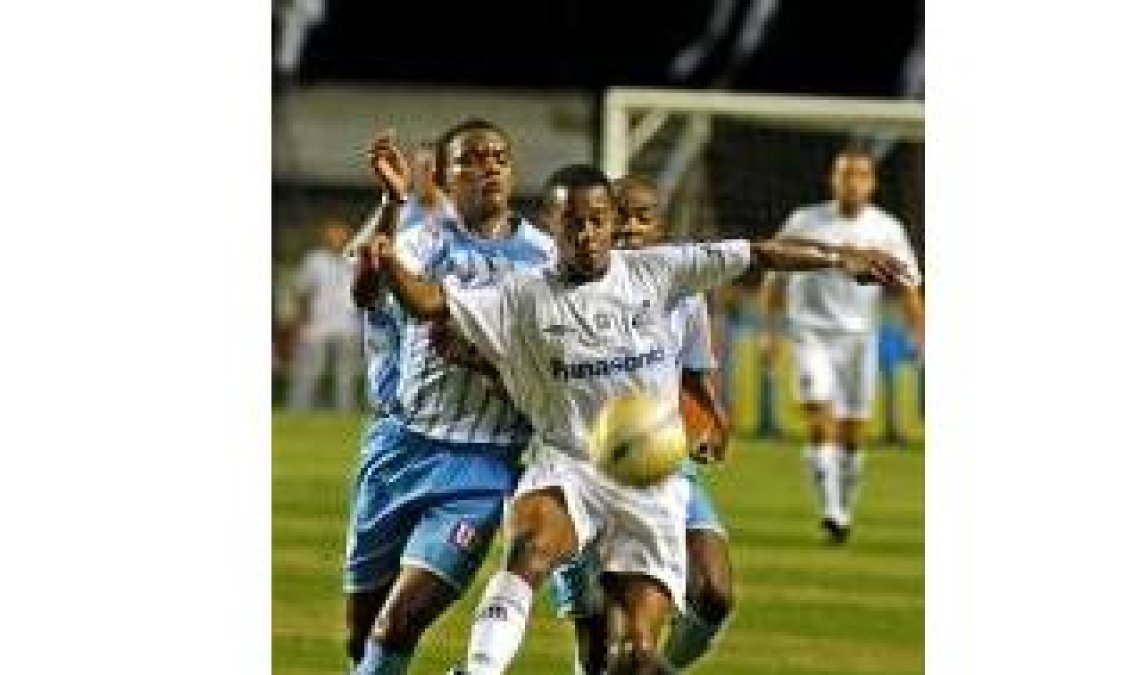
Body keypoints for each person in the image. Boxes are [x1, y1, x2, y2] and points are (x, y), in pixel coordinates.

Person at [360, 165, 910, 674]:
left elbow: (760, 253)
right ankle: (478, 668)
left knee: (633, 655)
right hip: (569, 463)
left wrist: (841, 259)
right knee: (529, 551)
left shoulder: (657, 272)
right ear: (553, 225)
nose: (586, 234)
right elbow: (430, 302)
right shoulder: (517, 295)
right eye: (572, 223)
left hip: (652, 483)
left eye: (597, 221)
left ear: (610, 222)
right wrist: (388, 260)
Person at [344, 118, 556, 675]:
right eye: (472, 159)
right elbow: (367, 290)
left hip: (481, 466)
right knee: (361, 634)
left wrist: (484, 362)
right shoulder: (419, 242)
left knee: (400, 621)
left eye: (499, 157)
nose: (489, 167)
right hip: (399, 448)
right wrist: (392, 202)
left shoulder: (545, 260)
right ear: (441, 175)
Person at [547, 174, 735, 673]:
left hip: (662, 462)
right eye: (621, 216)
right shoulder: (564, 285)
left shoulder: (682, 290)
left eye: (643, 217)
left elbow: (693, 371)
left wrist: (715, 420)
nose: (630, 227)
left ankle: (660, 665)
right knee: (597, 642)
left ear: (661, 227)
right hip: (584, 470)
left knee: (714, 592)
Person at [762, 145, 924, 543]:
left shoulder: (887, 229)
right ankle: (831, 512)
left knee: (853, 435)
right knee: (820, 419)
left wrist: (920, 333)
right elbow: (774, 273)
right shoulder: (805, 221)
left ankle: (844, 510)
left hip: (858, 340)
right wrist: (771, 330)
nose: (851, 182)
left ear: (872, 182)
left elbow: (908, 288)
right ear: (832, 179)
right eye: (844, 174)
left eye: (860, 175)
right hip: (809, 333)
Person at [287, 217, 360, 411]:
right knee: (310, 370)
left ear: (348, 236)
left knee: (346, 373)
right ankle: (298, 409)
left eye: (341, 234)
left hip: (348, 324)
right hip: (317, 324)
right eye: (332, 235)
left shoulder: (355, 260)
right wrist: (300, 323)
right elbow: (301, 293)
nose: (336, 238)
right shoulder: (313, 260)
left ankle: (344, 410)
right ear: (324, 237)